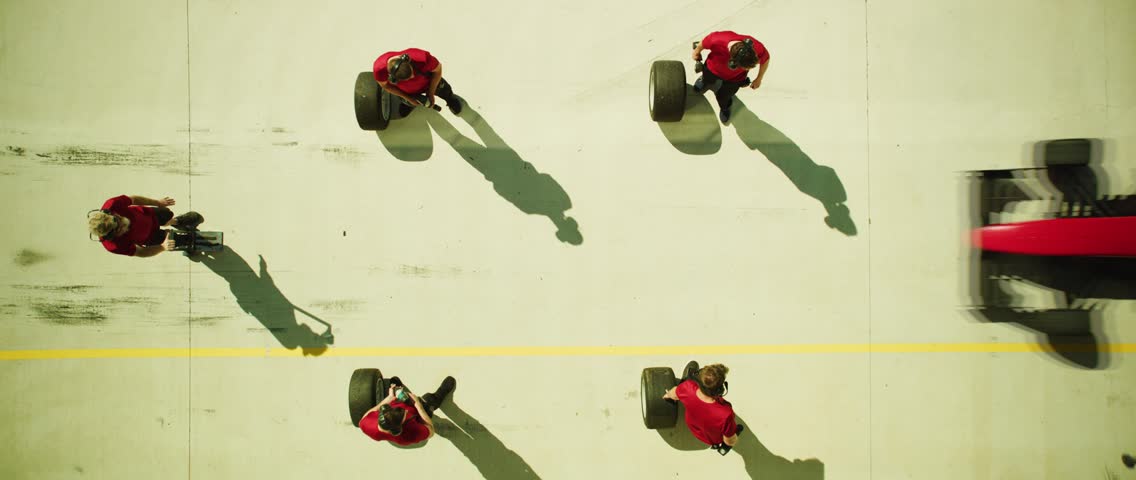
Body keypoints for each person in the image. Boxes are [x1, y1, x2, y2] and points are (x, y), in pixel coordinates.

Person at [692, 31, 771, 123]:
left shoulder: (756, 47)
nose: (749, 70)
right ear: (733, 63)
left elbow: (766, 59)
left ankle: (724, 107)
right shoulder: (718, 39)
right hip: (712, 69)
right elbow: (704, 42)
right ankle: (704, 80)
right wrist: (697, 51)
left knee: (724, 97)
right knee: (708, 78)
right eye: (746, 67)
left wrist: (759, 79)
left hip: (735, 79)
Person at [87, 195, 203, 257]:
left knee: (166, 214)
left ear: (113, 214)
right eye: (120, 230)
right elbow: (140, 252)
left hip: (148, 215)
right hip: (149, 237)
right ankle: (185, 243)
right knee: (179, 241)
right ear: (110, 236)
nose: (125, 226)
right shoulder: (113, 246)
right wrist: (162, 247)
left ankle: (177, 222)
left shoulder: (112, 204)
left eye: (120, 221)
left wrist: (157, 203)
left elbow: (134, 199)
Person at [662, 362, 742, 451]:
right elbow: (729, 442)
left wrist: (667, 395)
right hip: (711, 439)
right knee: (732, 435)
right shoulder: (726, 414)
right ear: (721, 389)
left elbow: (672, 394)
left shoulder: (687, 388)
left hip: (693, 428)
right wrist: (733, 437)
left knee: (684, 384)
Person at [359, 376, 457, 446]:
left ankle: (398, 391)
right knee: (429, 400)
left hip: (396, 404)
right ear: (399, 428)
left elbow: (368, 413)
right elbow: (431, 431)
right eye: (404, 415)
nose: (405, 411)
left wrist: (389, 398)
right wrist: (418, 406)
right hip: (417, 413)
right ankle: (438, 396)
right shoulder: (409, 434)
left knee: (394, 388)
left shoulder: (365, 425)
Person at [373, 48, 463, 117]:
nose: (413, 77)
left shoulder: (422, 58)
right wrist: (408, 98)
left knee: (445, 90)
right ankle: (409, 105)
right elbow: (386, 86)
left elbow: (438, 70)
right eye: (408, 78)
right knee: (407, 101)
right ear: (393, 79)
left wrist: (431, 93)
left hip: (429, 83)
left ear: (407, 60)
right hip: (407, 92)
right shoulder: (379, 70)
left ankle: (450, 99)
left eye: (412, 72)